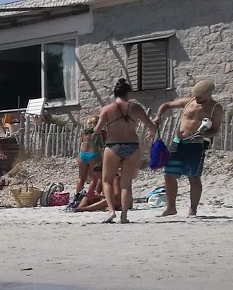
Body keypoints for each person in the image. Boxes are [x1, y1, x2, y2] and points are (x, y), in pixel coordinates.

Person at [156, 80, 223, 217]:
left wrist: (203, 135)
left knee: (193, 177)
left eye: (200, 97)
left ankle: (193, 209)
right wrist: (158, 116)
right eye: (195, 96)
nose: (196, 99)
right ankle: (171, 208)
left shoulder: (216, 108)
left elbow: (215, 130)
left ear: (209, 95)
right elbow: (166, 105)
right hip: (178, 143)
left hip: (195, 146)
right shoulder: (188, 102)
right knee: (168, 174)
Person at [94, 78, 151, 224]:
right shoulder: (136, 108)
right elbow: (151, 125)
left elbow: (97, 129)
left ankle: (111, 211)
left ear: (115, 93)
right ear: (128, 93)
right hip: (132, 146)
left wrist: (102, 132)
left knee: (107, 181)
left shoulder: (107, 109)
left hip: (113, 146)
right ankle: (124, 215)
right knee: (126, 184)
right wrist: (151, 133)